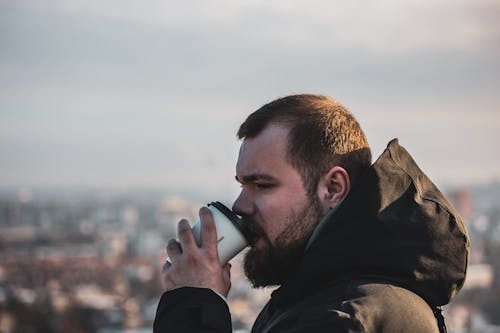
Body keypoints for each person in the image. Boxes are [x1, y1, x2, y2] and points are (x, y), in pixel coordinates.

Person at [154, 94, 470, 333]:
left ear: (333, 188)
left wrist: (194, 304)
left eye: (262, 185)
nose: (240, 205)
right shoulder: (335, 297)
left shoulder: (342, 319)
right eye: (242, 185)